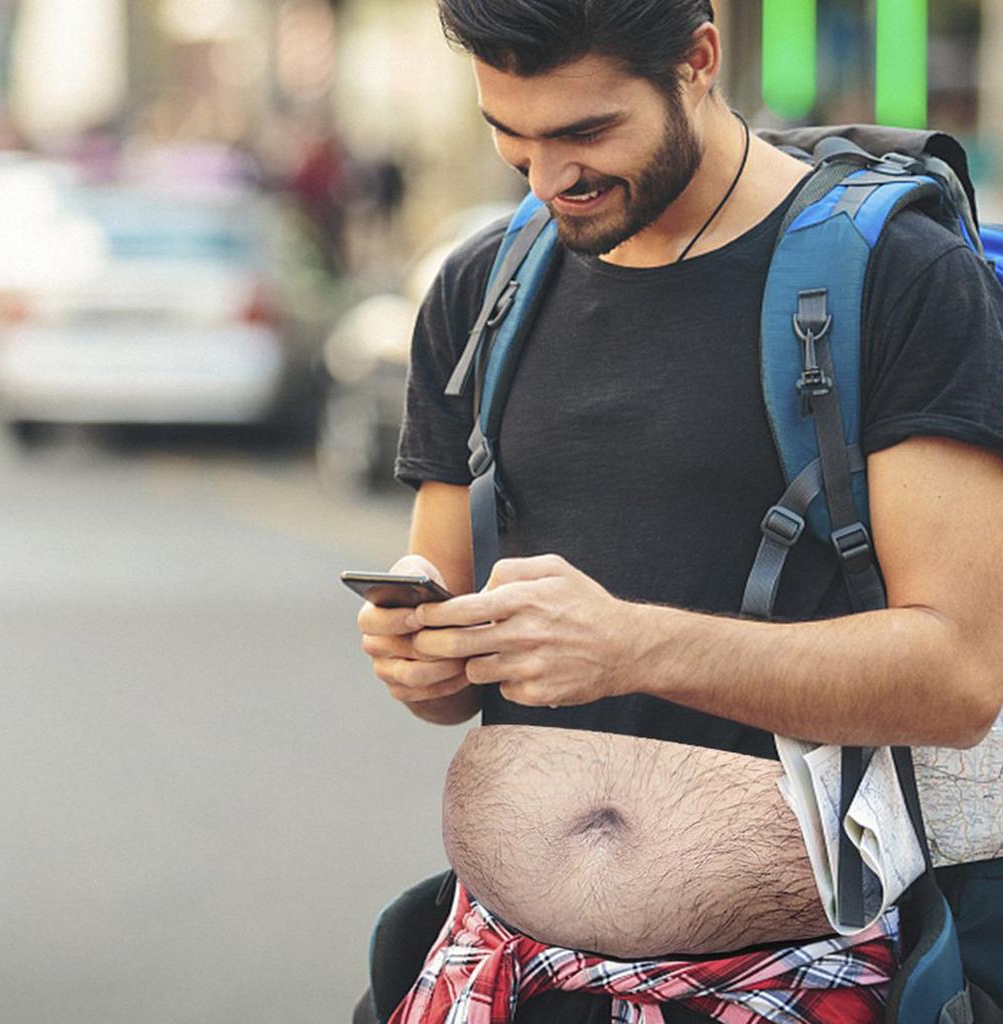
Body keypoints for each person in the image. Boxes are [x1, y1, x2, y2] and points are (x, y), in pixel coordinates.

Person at [356, 2, 1003, 1020]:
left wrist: (635, 647)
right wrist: (421, 656)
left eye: (585, 133)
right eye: (509, 137)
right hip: (498, 972)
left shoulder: (901, 276)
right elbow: (447, 658)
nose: (546, 179)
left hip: (799, 980)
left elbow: (955, 676)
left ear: (697, 60)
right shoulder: (480, 287)